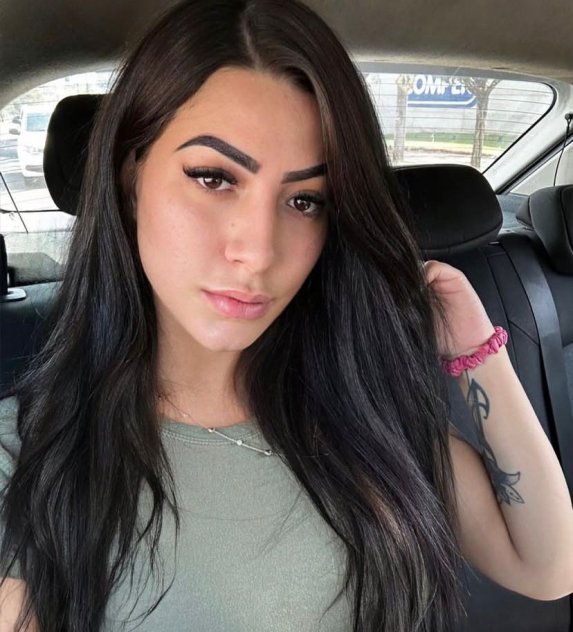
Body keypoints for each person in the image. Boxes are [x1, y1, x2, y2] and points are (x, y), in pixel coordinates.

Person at [1, 0, 572, 630]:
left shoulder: (362, 410)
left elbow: (546, 565)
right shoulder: (28, 458)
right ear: (130, 177)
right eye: (214, 178)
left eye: (305, 200)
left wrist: (476, 353)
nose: (259, 251)